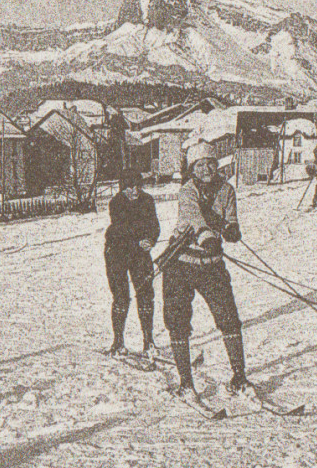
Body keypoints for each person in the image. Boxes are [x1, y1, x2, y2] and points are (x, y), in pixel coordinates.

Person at [163, 142, 250, 401]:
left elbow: (230, 217)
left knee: (229, 319)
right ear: (193, 169)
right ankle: (186, 383)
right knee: (178, 322)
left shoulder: (227, 190)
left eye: (211, 163)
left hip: (211, 264)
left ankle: (239, 376)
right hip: (181, 263)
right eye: (200, 165)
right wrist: (207, 236)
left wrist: (232, 230)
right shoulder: (186, 191)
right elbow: (195, 219)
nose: (207, 169)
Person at [104, 169, 160, 357]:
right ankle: (118, 342)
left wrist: (151, 240)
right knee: (121, 297)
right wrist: (139, 240)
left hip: (140, 254)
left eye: (138, 186)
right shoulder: (116, 203)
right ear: (122, 187)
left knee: (145, 294)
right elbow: (122, 229)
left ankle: (148, 341)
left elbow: (154, 225)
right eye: (130, 187)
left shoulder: (148, 201)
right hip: (117, 253)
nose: (135, 191)